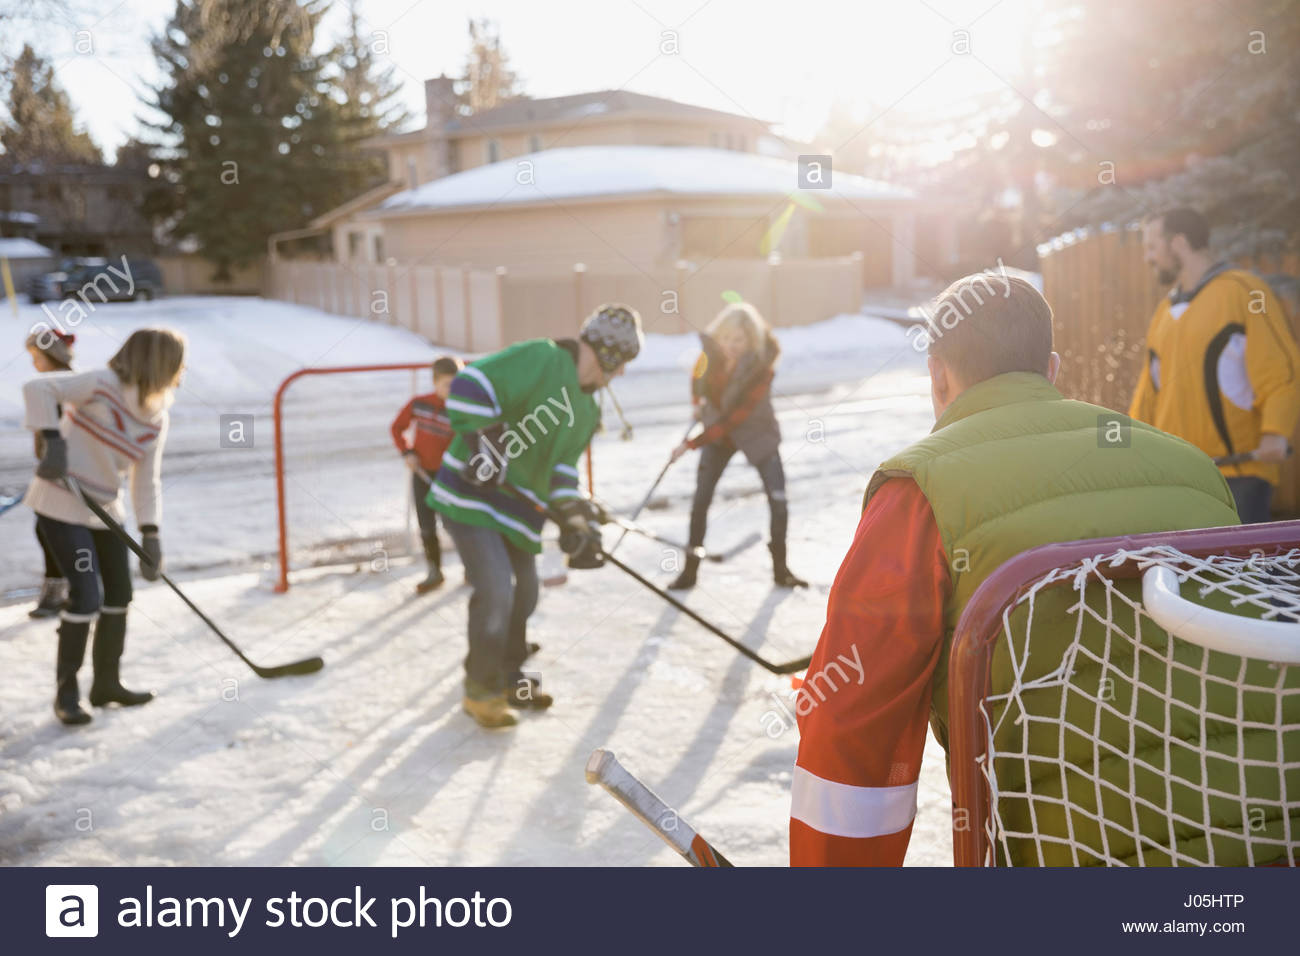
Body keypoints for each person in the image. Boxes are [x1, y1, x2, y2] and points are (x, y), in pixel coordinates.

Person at [789, 274, 1253, 866]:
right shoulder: (1193, 469)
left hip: (1058, 853)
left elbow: (851, 720)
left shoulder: (920, 494)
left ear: (936, 375)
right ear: (1051, 369)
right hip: (1248, 846)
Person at [428, 304, 643, 728]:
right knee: (496, 588)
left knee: (525, 592)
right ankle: (480, 690)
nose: (618, 375)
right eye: (620, 365)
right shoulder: (542, 359)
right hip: (470, 499)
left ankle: (511, 679)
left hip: (516, 513)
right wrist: (485, 443)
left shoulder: (588, 412)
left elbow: (562, 473)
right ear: (607, 355)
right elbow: (471, 383)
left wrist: (576, 521)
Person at [22, 328, 185, 726]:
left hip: (105, 508)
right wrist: (52, 441)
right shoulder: (100, 384)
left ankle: (106, 684)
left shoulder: (155, 415)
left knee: (120, 594)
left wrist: (151, 533)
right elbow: (37, 388)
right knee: (86, 596)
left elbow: (146, 479)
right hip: (61, 502)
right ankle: (67, 696)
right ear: (159, 360)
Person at [1129, 207, 1300, 523]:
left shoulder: (1244, 291)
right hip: (1177, 480)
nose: (1147, 258)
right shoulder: (1164, 312)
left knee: (1242, 573)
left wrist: (1275, 432)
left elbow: (1282, 370)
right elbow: (1148, 395)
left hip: (1238, 477)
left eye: (1152, 247)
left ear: (1178, 243)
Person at [667, 302, 805, 590]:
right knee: (701, 499)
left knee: (778, 500)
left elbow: (736, 417)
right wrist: (697, 403)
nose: (731, 345)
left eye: (738, 340)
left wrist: (690, 444)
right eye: (726, 338)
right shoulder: (711, 354)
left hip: (757, 432)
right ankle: (690, 571)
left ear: (751, 340)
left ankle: (781, 570)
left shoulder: (761, 369)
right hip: (719, 434)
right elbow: (698, 377)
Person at [390, 354, 463, 594]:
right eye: (448, 385)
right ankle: (435, 571)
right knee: (426, 526)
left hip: (449, 478)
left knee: (456, 524)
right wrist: (407, 452)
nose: (453, 390)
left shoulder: (461, 410)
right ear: (435, 382)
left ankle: (473, 568)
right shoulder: (419, 403)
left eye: (458, 384)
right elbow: (397, 428)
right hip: (422, 474)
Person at [24, 329, 75, 619]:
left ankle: (62, 592)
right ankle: (62, 589)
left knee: (52, 531)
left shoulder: (68, 385)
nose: (34, 364)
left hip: (68, 472)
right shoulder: (49, 384)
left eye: (37, 357)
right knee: (46, 530)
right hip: (51, 470)